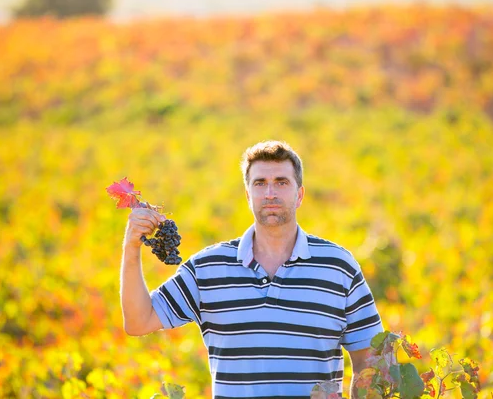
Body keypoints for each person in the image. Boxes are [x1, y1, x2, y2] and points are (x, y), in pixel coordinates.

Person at [120, 140, 384, 398]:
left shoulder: (338, 267)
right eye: (260, 183)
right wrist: (132, 247)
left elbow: (370, 360)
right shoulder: (208, 268)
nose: (270, 193)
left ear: (299, 194)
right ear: (248, 195)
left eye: (281, 182)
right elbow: (138, 321)